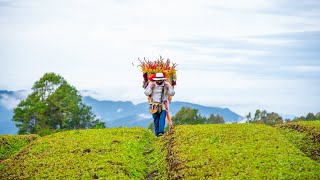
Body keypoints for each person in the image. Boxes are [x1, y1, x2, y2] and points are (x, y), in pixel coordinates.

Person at [145, 72, 175, 136]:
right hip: (154, 104)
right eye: (158, 80)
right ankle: (157, 134)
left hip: (163, 104)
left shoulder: (167, 84)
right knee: (156, 119)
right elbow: (146, 93)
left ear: (163, 79)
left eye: (160, 80)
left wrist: (168, 88)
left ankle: (161, 132)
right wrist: (151, 88)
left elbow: (172, 93)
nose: (159, 81)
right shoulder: (151, 84)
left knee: (162, 117)